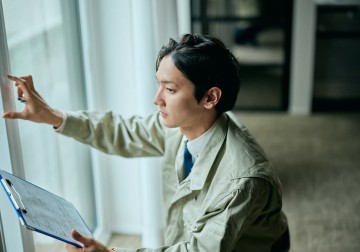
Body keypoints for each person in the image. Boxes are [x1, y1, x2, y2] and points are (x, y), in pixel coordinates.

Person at [3, 34, 289, 251]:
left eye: (170, 89)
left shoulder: (243, 180)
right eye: (159, 85)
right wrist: (52, 115)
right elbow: (123, 131)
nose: (157, 99)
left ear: (210, 98)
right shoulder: (185, 125)